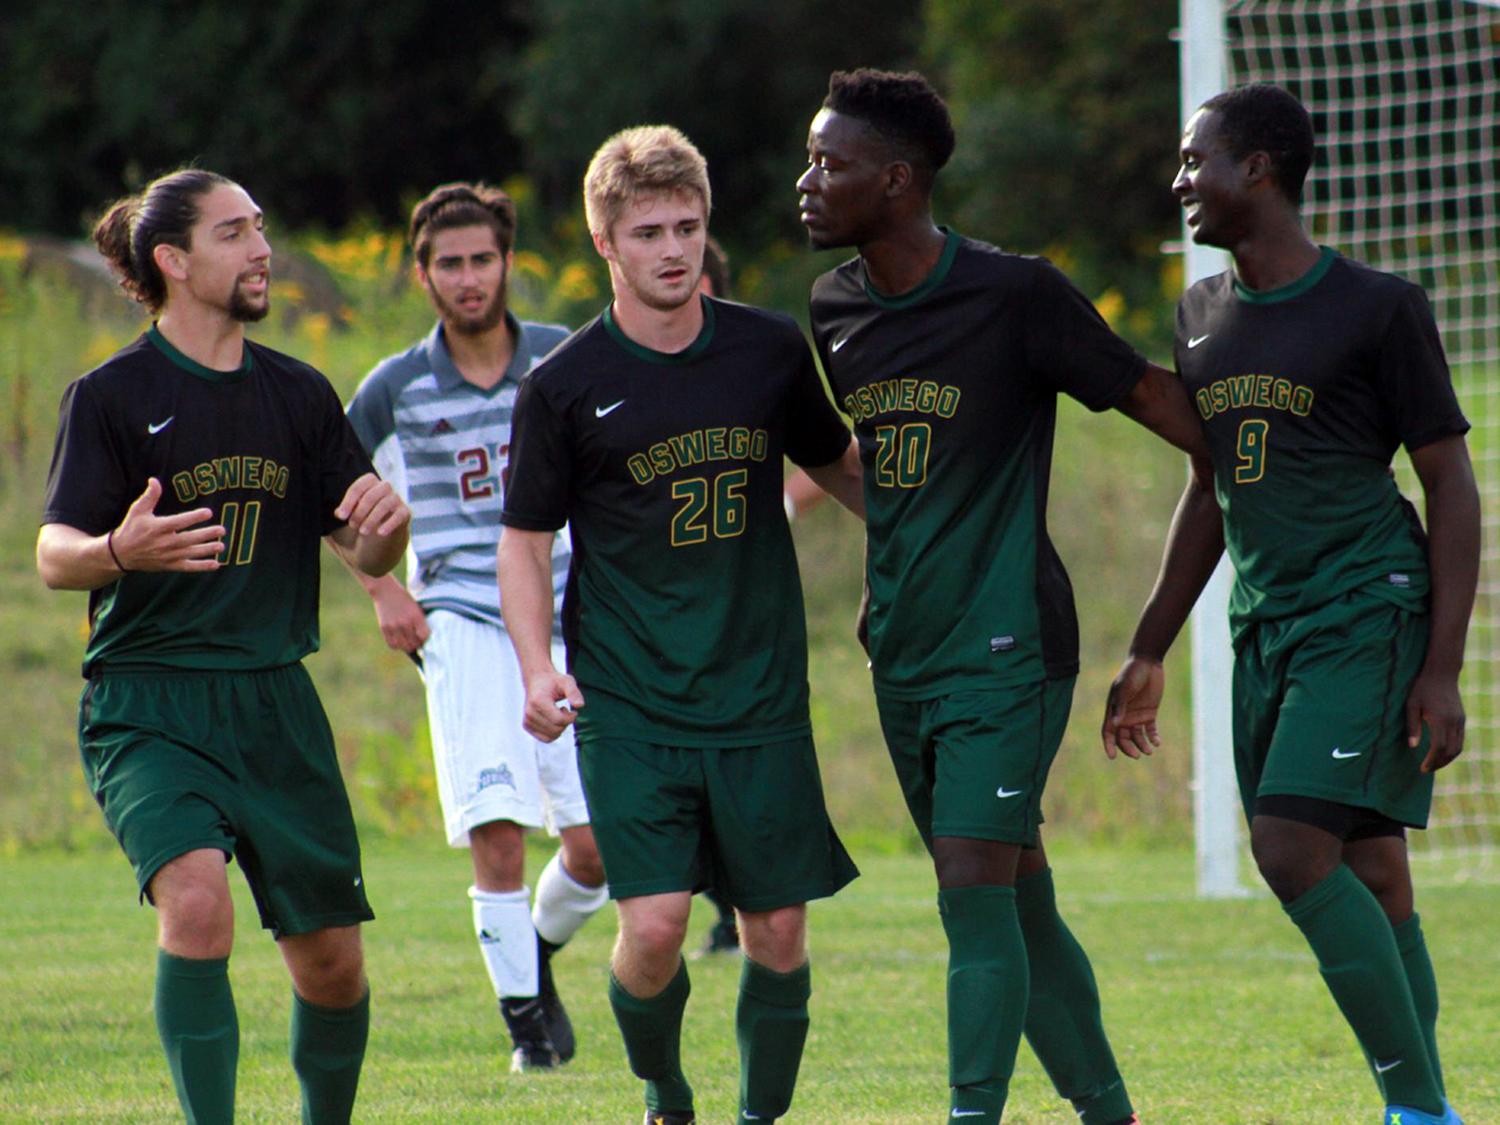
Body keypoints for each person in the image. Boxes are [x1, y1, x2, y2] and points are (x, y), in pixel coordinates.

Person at [797, 69, 1209, 1125]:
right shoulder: (833, 306)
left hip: (1010, 643)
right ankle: (1110, 1113)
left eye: (828, 163)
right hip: (904, 651)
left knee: (969, 885)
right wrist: (892, 571)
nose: (807, 182)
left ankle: (970, 1114)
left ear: (896, 182)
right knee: (1017, 895)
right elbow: (886, 473)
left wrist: (1283, 465)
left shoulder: (1017, 294)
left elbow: (1163, 406)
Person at [1103, 84, 1477, 1125]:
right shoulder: (1199, 317)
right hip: (1265, 626)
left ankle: (1419, 1110)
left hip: (1368, 608)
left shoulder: (1378, 306)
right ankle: (1430, 1101)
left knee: (1287, 849)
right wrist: (1149, 647)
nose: (1181, 181)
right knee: (1374, 871)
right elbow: (1209, 492)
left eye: (1195, 161)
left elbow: (1449, 483)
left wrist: (1442, 668)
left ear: (1257, 169)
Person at [498, 124, 863, 1125]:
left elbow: (842, 469)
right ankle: (664, 1090)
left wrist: (944, 516)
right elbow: (524, 542)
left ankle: (759, 1118)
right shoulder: (564, 384)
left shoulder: (768, 349)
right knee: (653, 929)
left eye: (689, 226)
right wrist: (537, 667)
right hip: (632, 696)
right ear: (606, 244)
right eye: (649, 230)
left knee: (778, 933)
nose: (674, 248)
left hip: (759, 693)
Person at [37, 168, 411, 1123]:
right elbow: (54, 554)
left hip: (275, 701)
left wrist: (387, 530)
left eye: (261, 230)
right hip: (150, 700)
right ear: (173, 261)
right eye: (235, 233)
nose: (261, 250)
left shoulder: (297, 390)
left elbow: (359, 543)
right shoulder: (112, 395)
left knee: (331, 964)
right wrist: (121, 548)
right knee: (198, 906)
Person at [338, 183, 608, 1072]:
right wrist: (385, 593)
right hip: (459, 616)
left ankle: (532, 955)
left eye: (481, 259)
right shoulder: (395, 385)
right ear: (422, 274)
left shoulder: (562, 358)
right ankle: (527, 1026)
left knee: (597, 848)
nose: (467, 277)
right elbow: (331, 500)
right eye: (448, 262)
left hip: (571, 613)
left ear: (507, 263)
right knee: (498, 824)